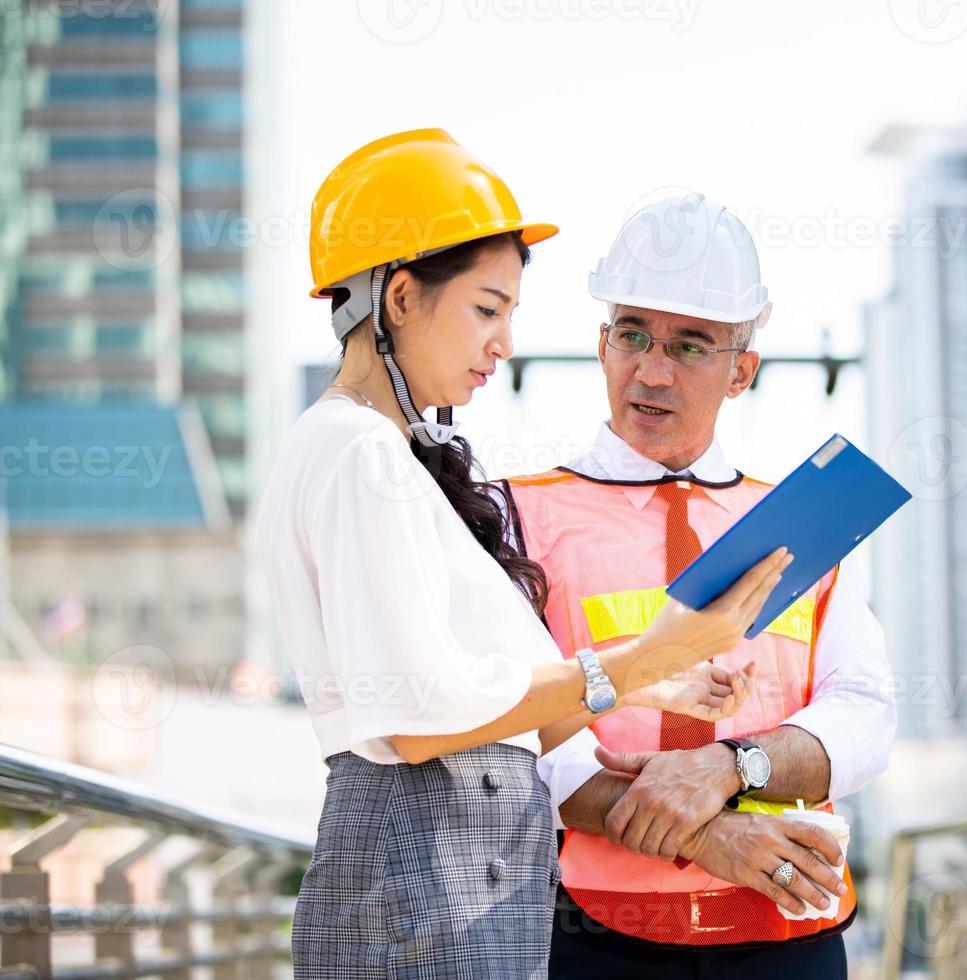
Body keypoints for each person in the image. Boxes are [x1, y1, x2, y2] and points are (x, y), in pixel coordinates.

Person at [255, 132, 822, 980]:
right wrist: (645, 661)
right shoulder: (360, 454)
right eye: (487, 308)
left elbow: (467, 690)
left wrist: (659, 680)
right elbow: (417, 719)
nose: (504, 344)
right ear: (400, 297)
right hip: (421, 890)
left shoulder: (376, 453)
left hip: (442, 888)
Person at [508, 192, 898, 978]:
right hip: (594, 938)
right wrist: (707, 834)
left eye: (690, 346)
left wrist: (730, 766)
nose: (651, 369)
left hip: (787, 930)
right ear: (601, 344)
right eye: (633, 335)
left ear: (741, 371)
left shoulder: (802, 522)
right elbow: (516, 725)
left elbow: (866, 711)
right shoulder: (521, 515)